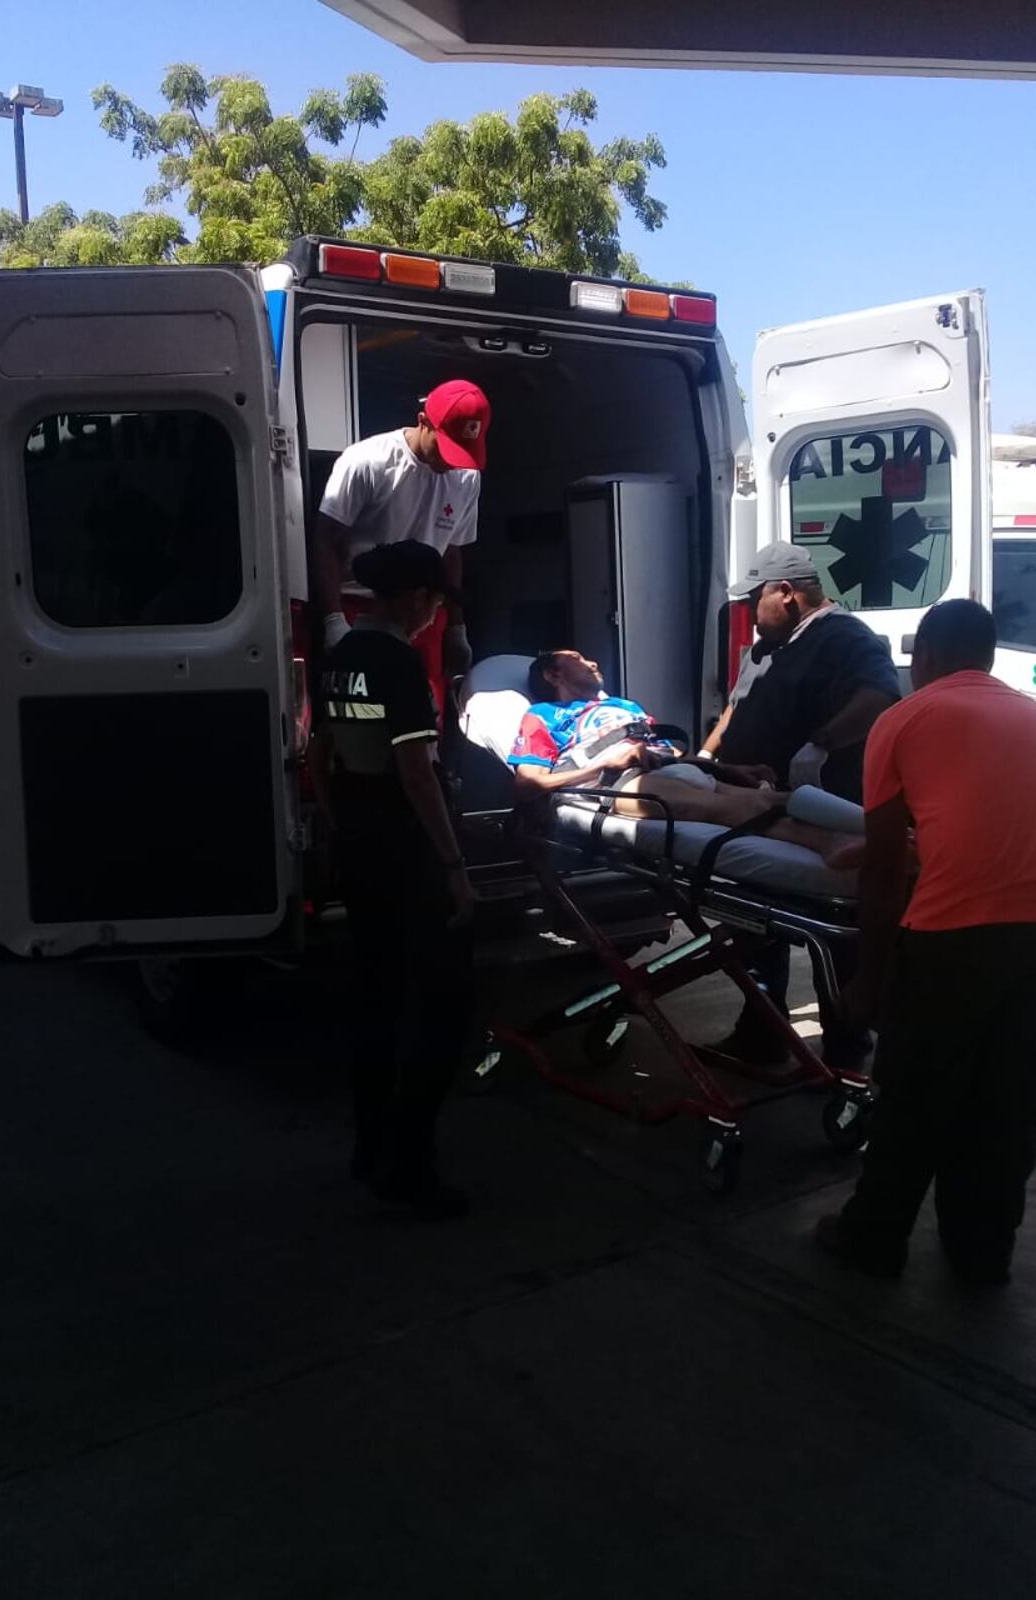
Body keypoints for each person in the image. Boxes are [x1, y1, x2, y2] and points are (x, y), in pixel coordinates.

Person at [816, 599, 1036, 1283]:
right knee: (1012, 1091)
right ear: (988, 658)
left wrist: (870, 977)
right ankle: (982, 1251)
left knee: (916, 1090)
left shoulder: (903, 718)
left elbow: (886, 868)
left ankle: (874, 1237)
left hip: (964, 927)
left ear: (926, 658)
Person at [314, 540, 477, 1220]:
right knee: (442, 1010)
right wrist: (454, 866)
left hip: (358, 843)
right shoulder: (398, 662)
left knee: (375, 1001)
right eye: (436, 601)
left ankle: (369, 1146)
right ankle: (409, 1166)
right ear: (416, 597)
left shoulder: (341, 657)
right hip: (407, 850)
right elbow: (415, 771)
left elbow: (320, 755)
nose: (435, 613)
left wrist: (339, 826)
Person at [707, 542, 901, 1071]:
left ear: (787, 593)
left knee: (832, 940)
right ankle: (762, 1033)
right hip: (755, 808)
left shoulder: (845, 639)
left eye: (755, 600)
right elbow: (735, 708)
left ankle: (845, 1053)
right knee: (754, 931)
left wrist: (822, 742)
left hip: (818, 806)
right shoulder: (765, 647)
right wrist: (706, 757)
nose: (748, 613)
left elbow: (877, 697)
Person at [508, 649, 864, 863]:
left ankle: (879, 830)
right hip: (621, 785)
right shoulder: (544, 715)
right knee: (746, 809)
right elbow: (528, 786)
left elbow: (667, 753)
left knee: (782, 797)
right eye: (577, 658)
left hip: (670, 768)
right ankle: (831, 843)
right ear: (553, 673)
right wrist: (605, 763)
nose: (592, 662)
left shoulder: (624, 706)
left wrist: (727, 768)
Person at [316, 379, 492, 722]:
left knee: (428, 713)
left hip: (426, 611)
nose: (451, 461)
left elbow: (452, 553)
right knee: (362, 713)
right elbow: (325, 538)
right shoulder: (367, 461)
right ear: (423, 421)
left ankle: (429, 775)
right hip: (361, 606)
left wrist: (456, 628)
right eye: (445, 448)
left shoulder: (466, 475)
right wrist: (332, 619)